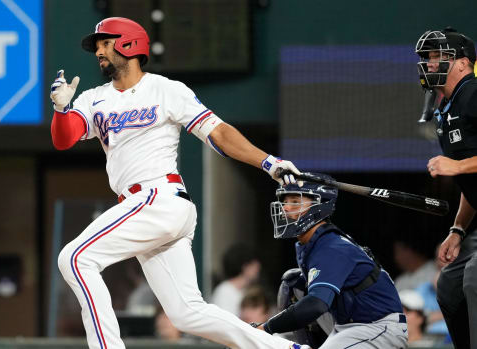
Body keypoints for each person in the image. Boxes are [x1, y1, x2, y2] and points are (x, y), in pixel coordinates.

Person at [50, 16, 306, 349]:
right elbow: (64, 138)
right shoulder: (94, 98)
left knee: (74, 258)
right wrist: (61, 108)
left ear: (129, 44)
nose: (98, 50)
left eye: (105, 42)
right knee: (187, 313)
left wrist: (268, 162)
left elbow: (218, 133)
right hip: (148, 208)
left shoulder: (166, 89)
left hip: (158, 198)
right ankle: (286, 348)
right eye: (97, 45)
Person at [254, 174, 408, 348]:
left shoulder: (331, 247)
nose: (286, 208)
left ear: (319, 207)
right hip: (348, 324)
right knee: (294, 283)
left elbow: (315, 305)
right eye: (285, 201)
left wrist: (267, 328)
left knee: (310, 297)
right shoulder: (312, 243)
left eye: (295, 201)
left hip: (377, 326)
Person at [415, 27, 477, 349]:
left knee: (475, 275)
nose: (429, 64)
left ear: (463, 63)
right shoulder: (445, 112)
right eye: (427, 58)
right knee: (449, 285)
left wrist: (458, 165)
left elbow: (465, 170)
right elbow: (474, 186)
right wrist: (457, 230)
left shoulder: (474, 92)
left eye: (438, 56)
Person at [211, 243, 261, 316]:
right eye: (254, 264)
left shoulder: (244, 291)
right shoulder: (225, 292)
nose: (258, 268)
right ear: (245, 266)